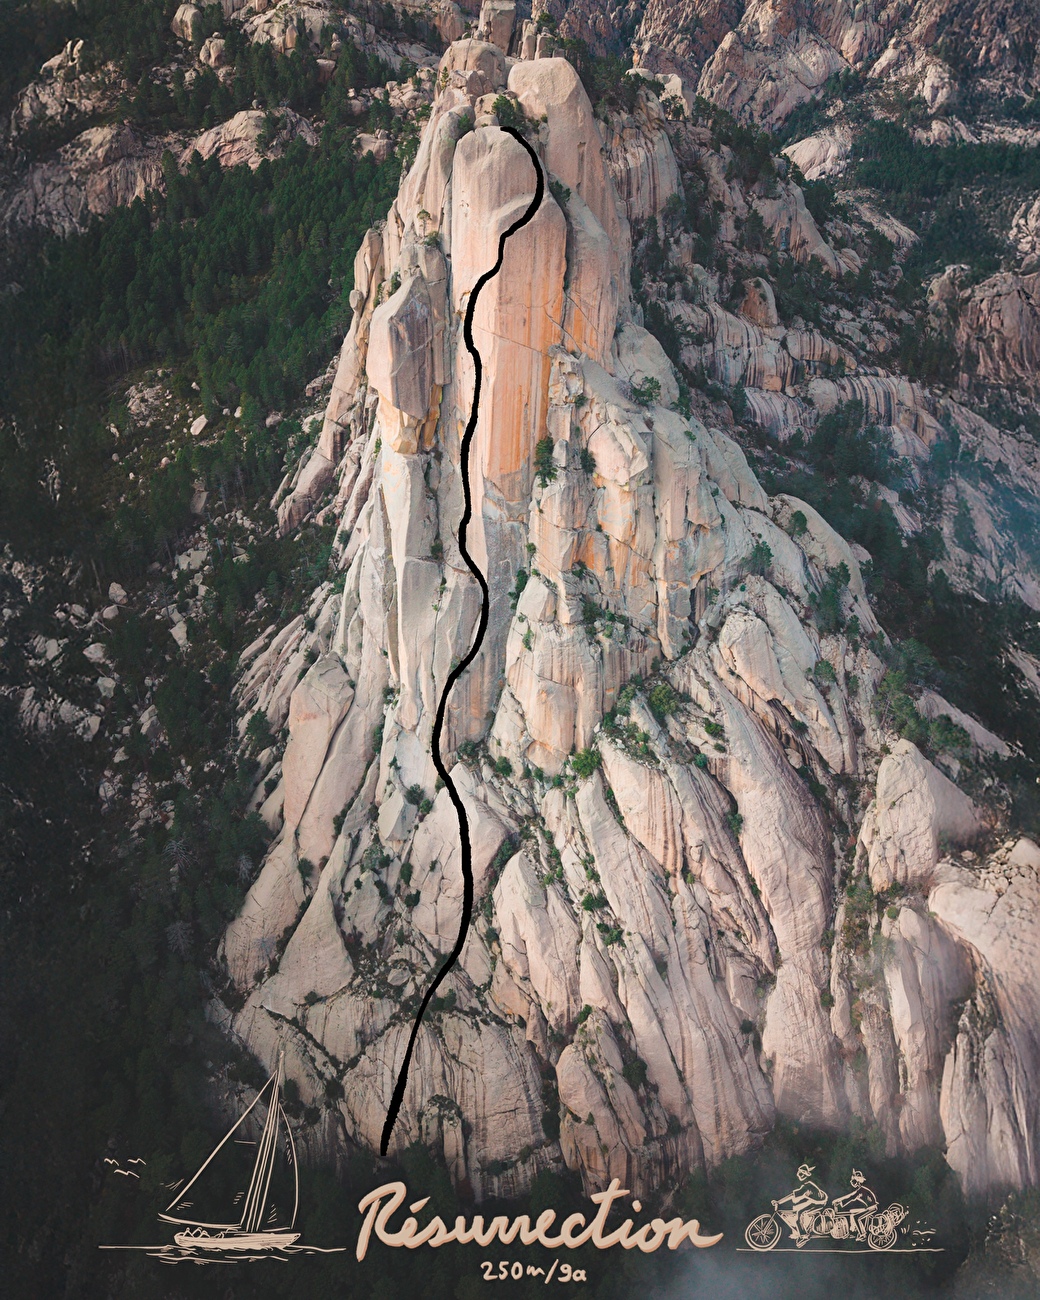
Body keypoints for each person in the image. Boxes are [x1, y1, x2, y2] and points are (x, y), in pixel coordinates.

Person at [772, 1163, 828, 1246]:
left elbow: (793, 1195)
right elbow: (795, 1197)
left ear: (806, 1175)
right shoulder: (806, 1184)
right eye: (799, 1173)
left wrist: (779, 1202)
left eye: (802, 1173)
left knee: (799, 1215)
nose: (799, 1175)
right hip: (813, 1200)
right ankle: (798, 1231)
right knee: (795, 1208)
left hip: (819, 1203)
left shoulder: (807, 1185)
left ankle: (804, 1235)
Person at [832, 1169, 878, 1241]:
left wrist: (839, 1201)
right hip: (868, 1207)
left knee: (856, 1217)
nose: (852, 1183)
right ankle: (854, 1229)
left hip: (871, 1208)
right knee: (851, 1211)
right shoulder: (861, 1189)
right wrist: (840, 1201)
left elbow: (851, 1197)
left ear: (858, 1180)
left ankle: (862, 1234)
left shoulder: (862, 1189)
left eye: (854, 1181)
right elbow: (852, 1196)